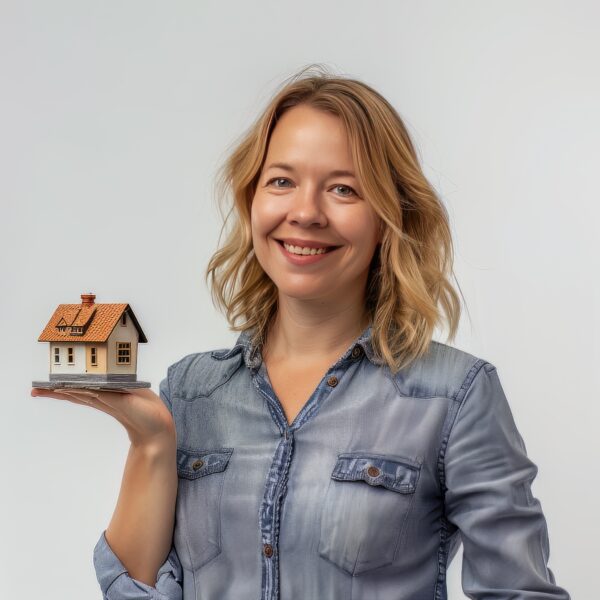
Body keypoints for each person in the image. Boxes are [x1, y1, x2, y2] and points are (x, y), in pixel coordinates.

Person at [31, 65, 571, 600]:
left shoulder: (456, 395)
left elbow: (521, 592)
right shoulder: (190, 390)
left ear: (389, 217)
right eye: (282, 181)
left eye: (343, 189)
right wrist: (151, 443)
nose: (305, 213)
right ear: (251, 201)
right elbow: (135, 593)